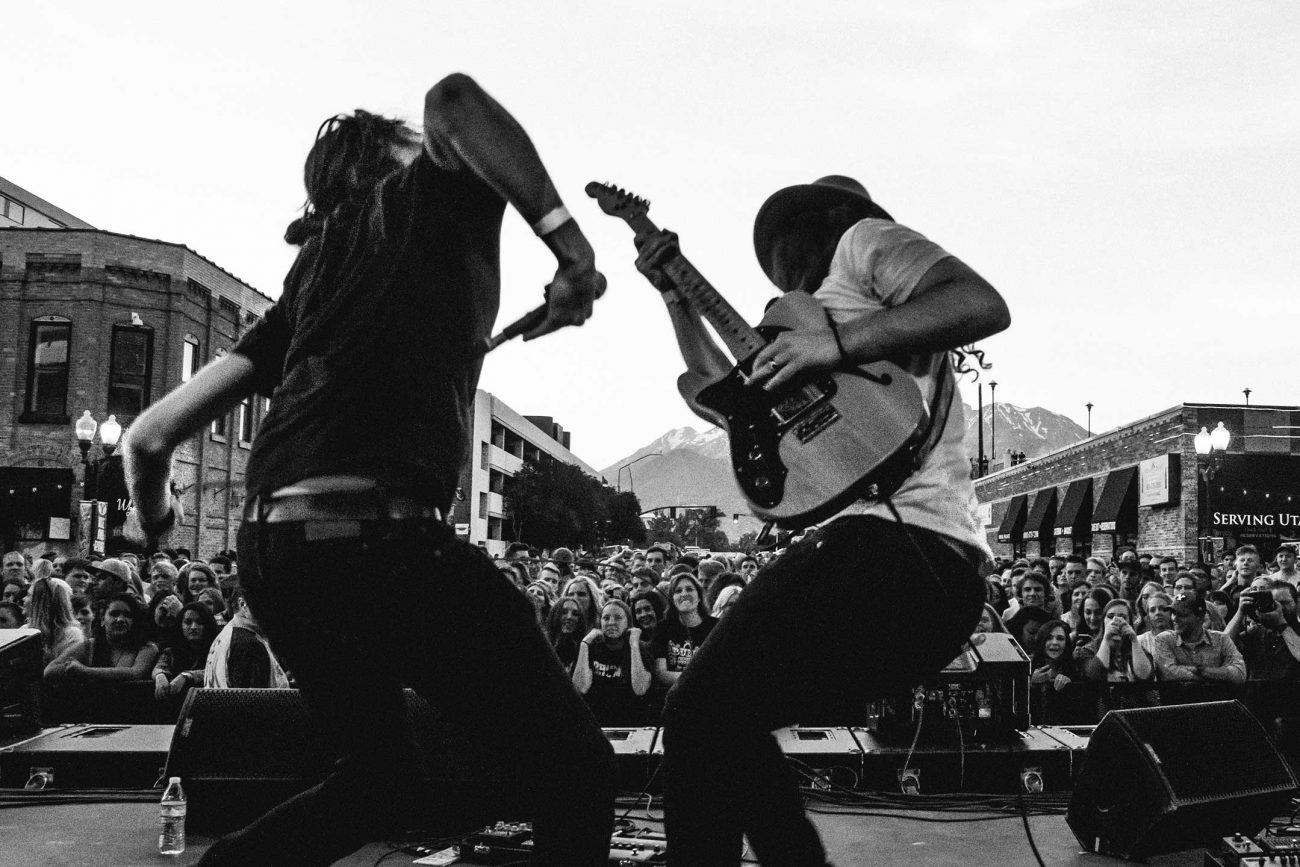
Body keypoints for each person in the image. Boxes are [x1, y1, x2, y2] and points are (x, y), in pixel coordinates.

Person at [120, 73, 614, 866]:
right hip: (379, 540)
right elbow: (455, 100)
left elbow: (148, 439)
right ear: (389, 162)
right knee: (576, 764)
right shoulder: (418, 199)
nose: (442, 157)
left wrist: (157, 517)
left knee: (379, 781)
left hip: (275, 555)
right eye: (417, 151)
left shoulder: (310, 281)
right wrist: (571, 247)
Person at [633, 173, 1008, 865]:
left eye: (781, 239)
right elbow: (722, 390)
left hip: (902, 545)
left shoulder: (863, 244)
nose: (773, 259)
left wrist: (834, 346)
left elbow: (978, 302)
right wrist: (675, 296)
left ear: (825, 218)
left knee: (699, 708)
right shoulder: (798, 323)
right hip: (924, 576)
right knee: (722, 716)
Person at [572, 599, 653, 725]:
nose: (611, 622)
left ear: (628, 622)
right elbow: (581, 688)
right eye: (606, 618)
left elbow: (640, 689)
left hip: (631, 723)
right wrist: (584, 644)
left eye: (618, 618)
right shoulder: (590, 648)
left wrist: (634, 645)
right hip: (596, 723)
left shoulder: (641, 648)